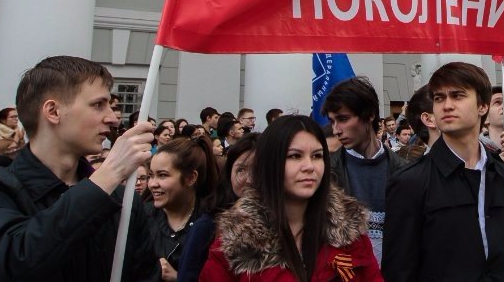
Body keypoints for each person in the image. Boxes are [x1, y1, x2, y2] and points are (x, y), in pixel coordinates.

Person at [0, 55, 160, 281]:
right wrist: (109, 174)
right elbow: (15, 263)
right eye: (98, 105)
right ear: (53, 111)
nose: (112, 119)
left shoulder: (123, 199)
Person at [382, 62, 504, 282]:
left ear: (482, 106)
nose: (446, 105)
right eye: (439, 98)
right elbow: (399, 271)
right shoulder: (409, 182)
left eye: (457, 96)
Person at [201, 115, 382, 281]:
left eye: (317, 156)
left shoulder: (350, 230)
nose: (309, 166)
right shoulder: (236, 240)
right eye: (295, 156)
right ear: (270, 162)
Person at [322, 76, 405, 263]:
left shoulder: (405, 171)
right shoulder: (326, 172)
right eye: (332, 121)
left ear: (369, 115)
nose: (336, 130)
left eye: (343, 119)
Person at [177, 133, 259, 282]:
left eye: (258, 170)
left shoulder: (290, 222)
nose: (249, 180)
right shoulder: (207, 227)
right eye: (241, 170)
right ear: (229, 175)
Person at [146, 134, 219, 281]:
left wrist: (179, 278)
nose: (153, 184)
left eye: (162, 175)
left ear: (191, 178)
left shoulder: (213, 226)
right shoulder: (142, 217)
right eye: (151, 175)